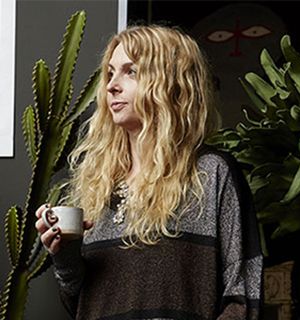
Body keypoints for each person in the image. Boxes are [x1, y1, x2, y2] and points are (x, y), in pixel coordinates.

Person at [35, 25, 263, 320]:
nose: (111, 86)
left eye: (131, 72)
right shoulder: (98, 183)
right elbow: (81, 304)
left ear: (171, 83)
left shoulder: (212, 172)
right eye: (111, 73)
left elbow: (243, 294)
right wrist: (65, 257)